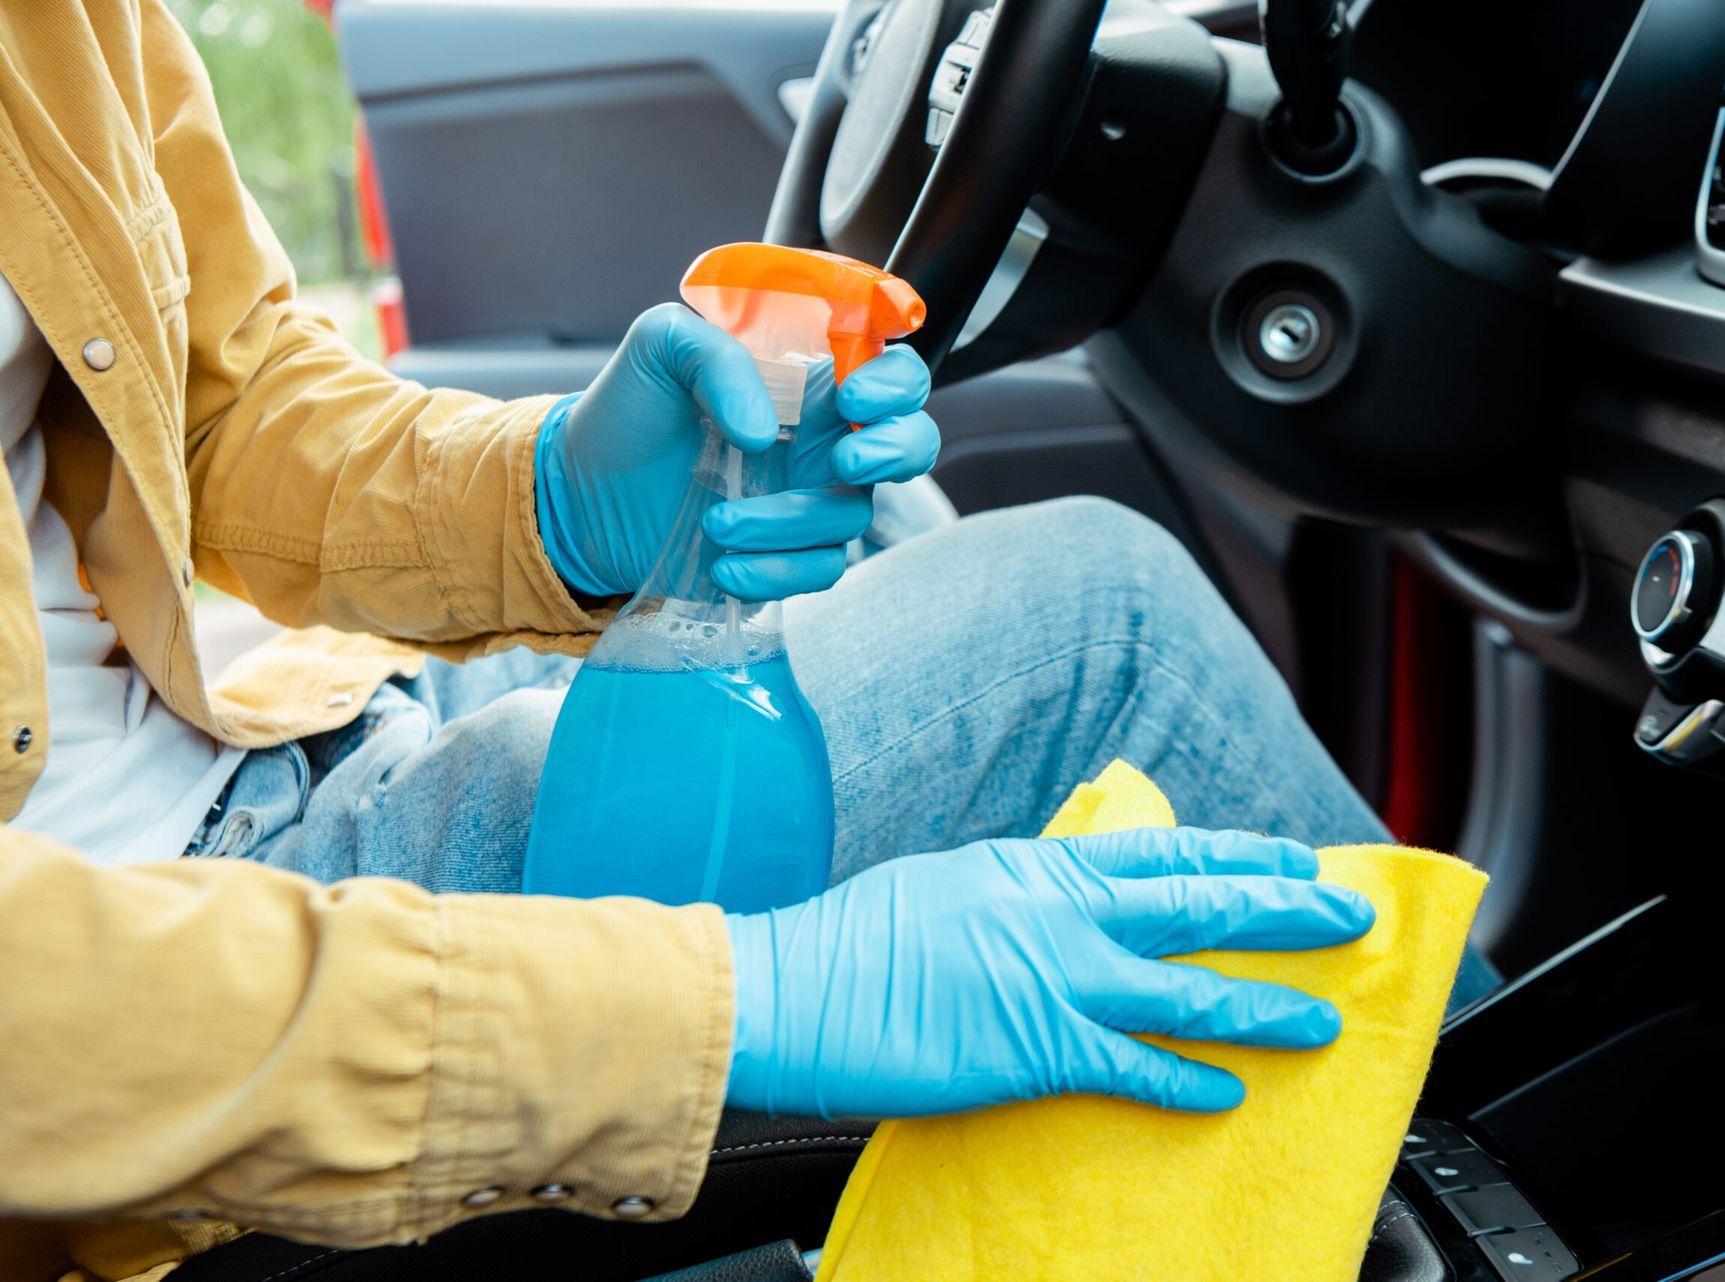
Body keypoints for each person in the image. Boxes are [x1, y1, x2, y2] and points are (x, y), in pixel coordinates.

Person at [0, 4, 1461, 1276]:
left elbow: (217, 393)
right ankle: (1542, 1194)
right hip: (150, 988)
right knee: (1101, 626)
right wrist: (727, 1007)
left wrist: (553, 498)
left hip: (249, 749)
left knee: (880, 523)